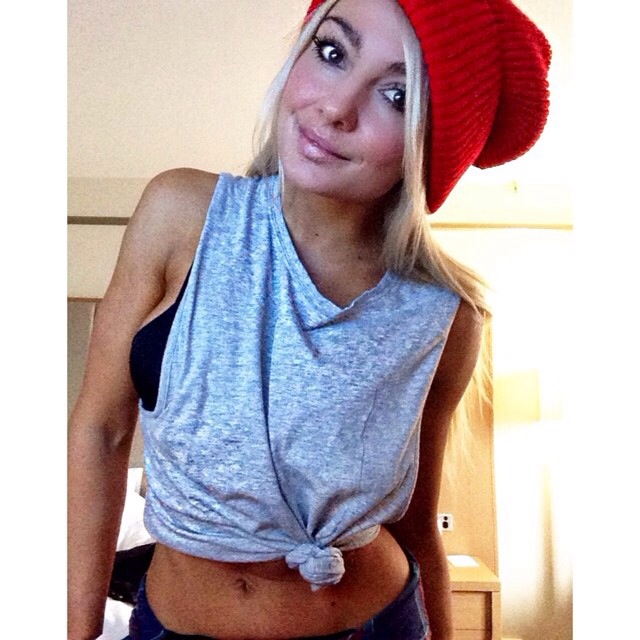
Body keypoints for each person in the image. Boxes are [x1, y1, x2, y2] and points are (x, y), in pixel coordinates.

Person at [67, 0, 551, 638]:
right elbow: (101, 432)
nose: (335, 108)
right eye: (332, 52)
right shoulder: (181, 215)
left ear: (430, 146)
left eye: (397, 95)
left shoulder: (443, 318)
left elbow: (415, 524)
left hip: (370, 622)